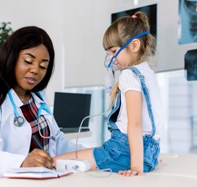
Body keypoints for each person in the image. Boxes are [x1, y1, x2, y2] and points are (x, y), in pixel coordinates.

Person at [0, 26, 84, 184]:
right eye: (28, 61)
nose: (36, 70)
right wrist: (23, 163)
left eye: (43, 66)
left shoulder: (38, 99)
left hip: (33, 184)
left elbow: (58, 142)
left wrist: (96, 153)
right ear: (12, 58)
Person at [54, 11, 164, 177]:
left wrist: (136, 167)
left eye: (113, 51)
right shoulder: (148, 73)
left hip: (123, 152)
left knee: (54, 162)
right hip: (150, 153)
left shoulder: (129, 75)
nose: (110, 58)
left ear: (134, 46)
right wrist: (144, 159)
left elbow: (134, 125)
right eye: (108, 53)